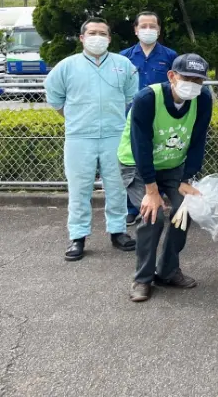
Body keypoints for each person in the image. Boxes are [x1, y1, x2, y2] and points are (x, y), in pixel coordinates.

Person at [119, 54, 213, 302]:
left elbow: (198, 140)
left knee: (184, 210)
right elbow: (140, 145)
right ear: (172, 76)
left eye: (199, 80)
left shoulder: (202, 99)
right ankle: (142, 278)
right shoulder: (147, 98)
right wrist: (151, 191)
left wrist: (187, 178)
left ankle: (169, 270)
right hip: (138, 165)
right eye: (187, 78)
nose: (193, 84)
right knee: (153, 215)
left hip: (173, 164)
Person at [45, 18, 139, 261]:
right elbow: (55, 98)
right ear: (82, 38)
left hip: (114, 134)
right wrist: (75, 118)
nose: (97, 37)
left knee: (117, 186)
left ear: (109, 38)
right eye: (92, 33)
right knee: (79, 188)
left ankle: (118, 232)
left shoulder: (123, 65)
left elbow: (131, 96)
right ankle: (77, 237)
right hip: (79, 137)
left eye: (102, 33)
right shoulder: (66, 66)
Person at [120, 11, 177, 226]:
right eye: (143, 26)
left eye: (152, 26)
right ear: (135, 29)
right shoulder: (124, 56)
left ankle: (156, 199)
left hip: (160, 117)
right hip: (131, 116)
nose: (148, 30)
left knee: (158, 158)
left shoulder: (169, 55)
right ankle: (131, 208)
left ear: (159, 30)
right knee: (133, 162)